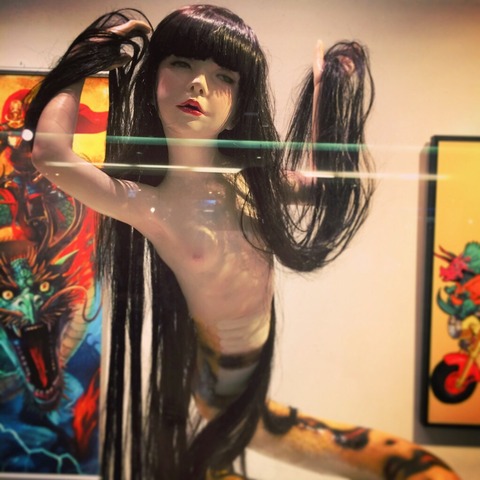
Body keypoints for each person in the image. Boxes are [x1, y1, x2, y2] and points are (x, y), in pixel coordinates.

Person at [25, 5, 459, 480]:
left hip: (245, 382)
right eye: (181, 64)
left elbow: (323, 187)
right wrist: (89, 54)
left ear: (239, 106)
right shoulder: (149, 207)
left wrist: (327, 95)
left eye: (223, 77)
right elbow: (50, 153)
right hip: (218, 389)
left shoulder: (254, 184)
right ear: (153, 82)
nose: (198, 84)